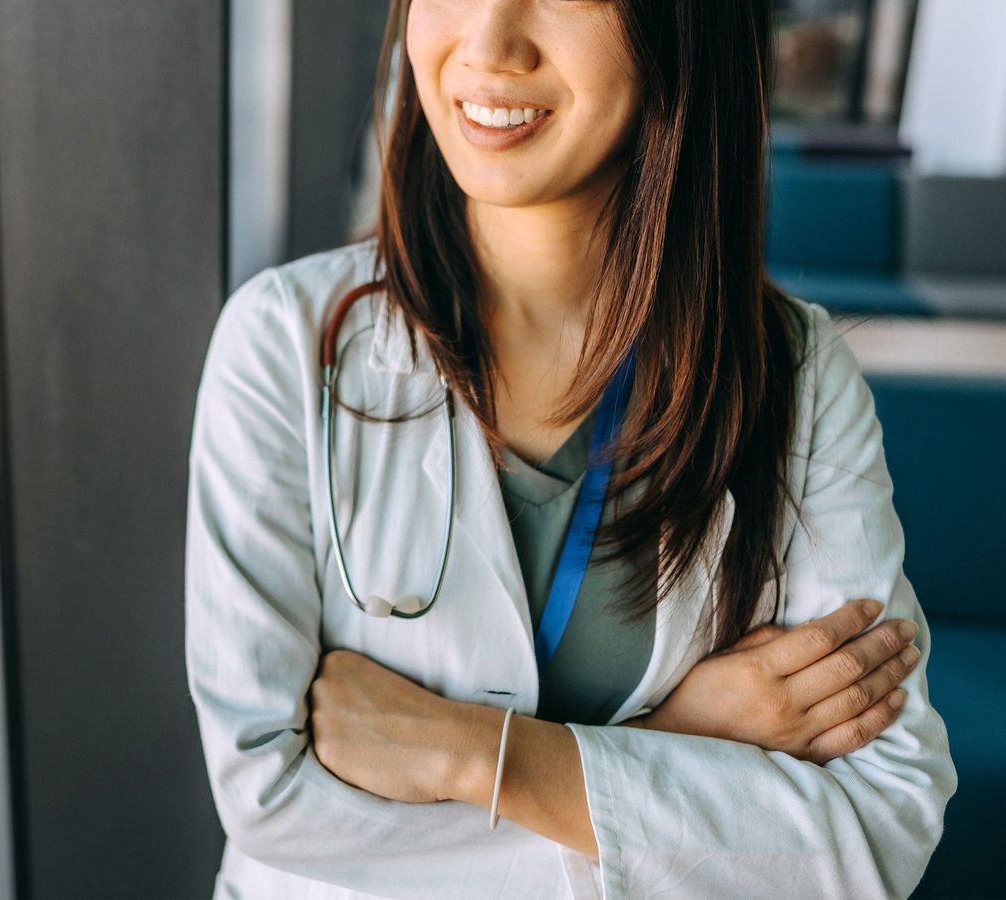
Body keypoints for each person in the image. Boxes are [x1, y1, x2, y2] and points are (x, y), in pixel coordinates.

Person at [182, 1, 957, 898]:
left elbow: (879, 826)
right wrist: (678, 745)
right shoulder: (283, 343)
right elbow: (270, 798)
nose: (489, 44)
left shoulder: (794, 376)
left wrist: (481, 757)